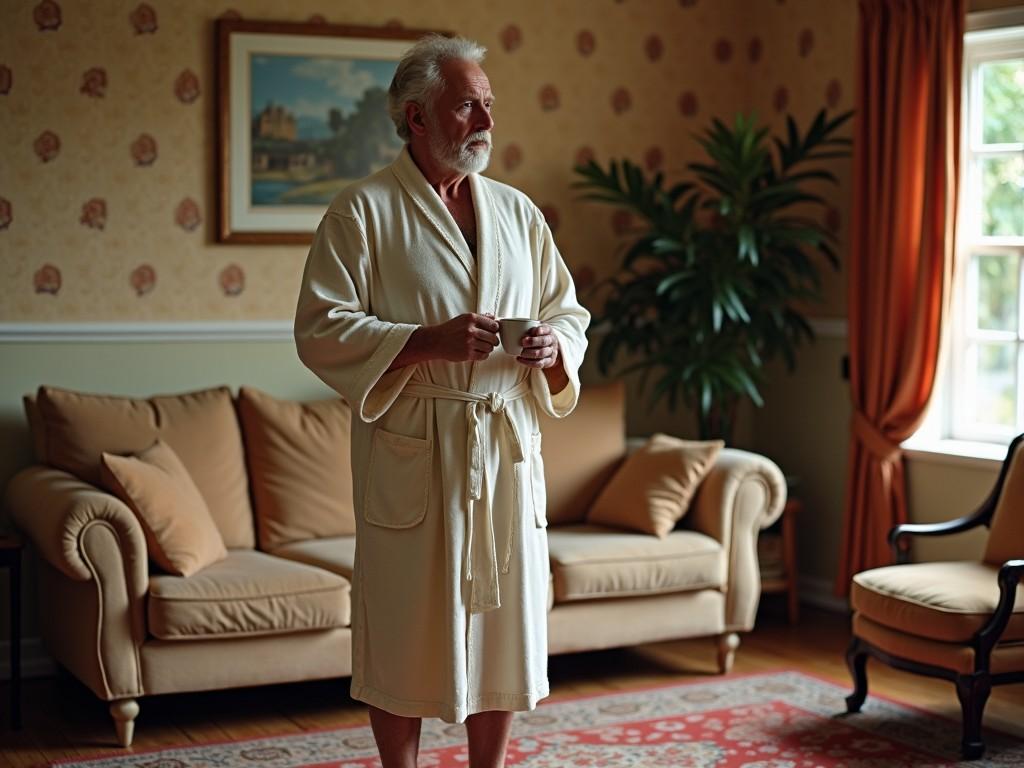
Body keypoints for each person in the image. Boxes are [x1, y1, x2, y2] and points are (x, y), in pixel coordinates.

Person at [293, 34, 590, 768]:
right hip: (418, 448)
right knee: (404, 633)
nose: (485, 120)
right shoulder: (361, 213)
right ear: (416, 116)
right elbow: (320, 328)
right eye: (466, 105)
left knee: (502, 633)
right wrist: (425, 342)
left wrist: (553, 349)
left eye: (488, 104)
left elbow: (569, 310)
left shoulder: (518, 213)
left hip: (505, 443)